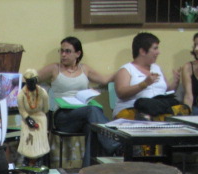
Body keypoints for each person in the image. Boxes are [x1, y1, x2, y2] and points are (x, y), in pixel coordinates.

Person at [37, 36, 118, 166]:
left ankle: (87, 170)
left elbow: (104, 80)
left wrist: (124, 71)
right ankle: (114, 143)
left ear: (78, 53)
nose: (63, 55)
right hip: (63, 116)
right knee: (93, 110)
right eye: (61, 51)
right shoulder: (54, 68)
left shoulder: (84, 69)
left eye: (68, 51)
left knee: (92, 128)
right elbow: (31, 78)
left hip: (82, 115)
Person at [113, 32, 180, 119]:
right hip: (133, 109)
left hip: (158, 109)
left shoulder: (157, 68)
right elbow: (121, 93)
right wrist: (144, 84)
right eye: (155, 48)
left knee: (181, 107)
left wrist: (176, 82)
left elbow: (166, 91)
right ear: (142, 51)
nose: (158, 52)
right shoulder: (126, 70)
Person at [16, 69, 49, 165]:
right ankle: (27, 160)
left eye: (33, 81)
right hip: (27, 118)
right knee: (27, 139)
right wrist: (27, 118)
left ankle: (39, 160)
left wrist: (39, 118)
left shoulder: (43, 93)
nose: (31, 84)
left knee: (40, 140)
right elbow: (21, 110)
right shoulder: (21, 95)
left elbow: (46, 108)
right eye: (29, 82)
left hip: (40, 117)